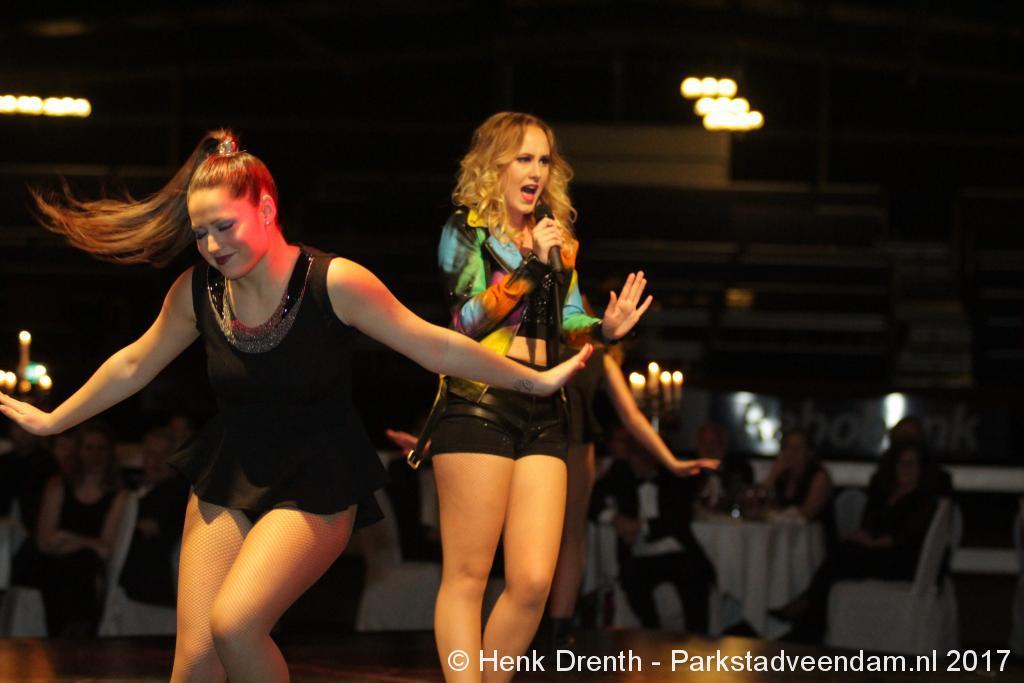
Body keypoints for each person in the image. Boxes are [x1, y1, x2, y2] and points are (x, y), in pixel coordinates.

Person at [0, 129, 590, 681]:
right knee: (195, 664)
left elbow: (434, 345)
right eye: (201, 233)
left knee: (236, 625)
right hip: (229, 472)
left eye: (224, 226)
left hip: (317, 482)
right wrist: (54, 420)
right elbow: (133, 364)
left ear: (265, 209)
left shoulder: (333, 281)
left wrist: (531, 382)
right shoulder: (197, 292)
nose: (212, 245)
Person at [429, 112, 651, 682]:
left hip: (547, 409)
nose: (535, 171)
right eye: (523, 158)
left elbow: (568, 320)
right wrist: (530, 267)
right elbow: (465, 320)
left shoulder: (558, 239)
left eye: (544, 160)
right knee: (468, 576)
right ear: (495, 164)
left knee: (531, 582)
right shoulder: (467, 229)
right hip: (480, 401)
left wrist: (603, 328)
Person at [547, 343, 717, 645]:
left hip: (560, 439)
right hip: (548, 438)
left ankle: (555, 634)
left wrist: (672, 463)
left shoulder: (594, 356)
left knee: (566, 538)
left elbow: (633, 417)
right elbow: (631, 417)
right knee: (562, 539)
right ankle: (550, 634)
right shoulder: (587, 353)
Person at [770, 442, 943, 641]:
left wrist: (872, 542)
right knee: (841, 558)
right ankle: (810, 620)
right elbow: (873, 525)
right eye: (901, 463)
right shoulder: (887, 494)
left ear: (922, 468)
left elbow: (906, 538)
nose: (905, 469)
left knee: (843, 556)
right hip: (879, 553)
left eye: (911, 464)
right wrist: (864, 537)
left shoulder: (923, 500)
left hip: (902, 561)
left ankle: (807, 612)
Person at [588, 427, 716, 632]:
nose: (642, 458)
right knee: (633, 579)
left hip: (676, 550)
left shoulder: (673, 475)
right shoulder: (620, 472)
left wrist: (641, 527)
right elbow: (591, 500)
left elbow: (679, 517)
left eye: (647, 453)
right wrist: (615, 518)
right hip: (638, 554)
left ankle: (698, 640)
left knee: (694, 576)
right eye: (638, 452)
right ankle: (652, 635)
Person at [11, 421, 129, 636]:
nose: (95, 455)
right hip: (50, 560)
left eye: (101, 448)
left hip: (84, 564)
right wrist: (83, 543)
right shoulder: (59, 485)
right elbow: (45, 542)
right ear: (79, 451)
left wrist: (67, 537)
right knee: (65, 569)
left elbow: (104, 547)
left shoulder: (117, 494)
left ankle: (73, 636)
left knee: (80, 565)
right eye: (89, 448)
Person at [119, 427, 190, 606]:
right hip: (144, 593)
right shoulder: (140, 488)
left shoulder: (174, 491)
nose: (155, 461)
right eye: (150, 454)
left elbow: (151, 527)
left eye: (163, 454)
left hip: (154, 594)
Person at [761, 429, 833, 523]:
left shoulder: (819, 477)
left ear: (809, 452)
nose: (791, 453)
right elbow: (760, 503)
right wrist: (773, 475)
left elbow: (807, 514)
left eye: (797, 448)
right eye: (787, 447)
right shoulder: (781, 476)